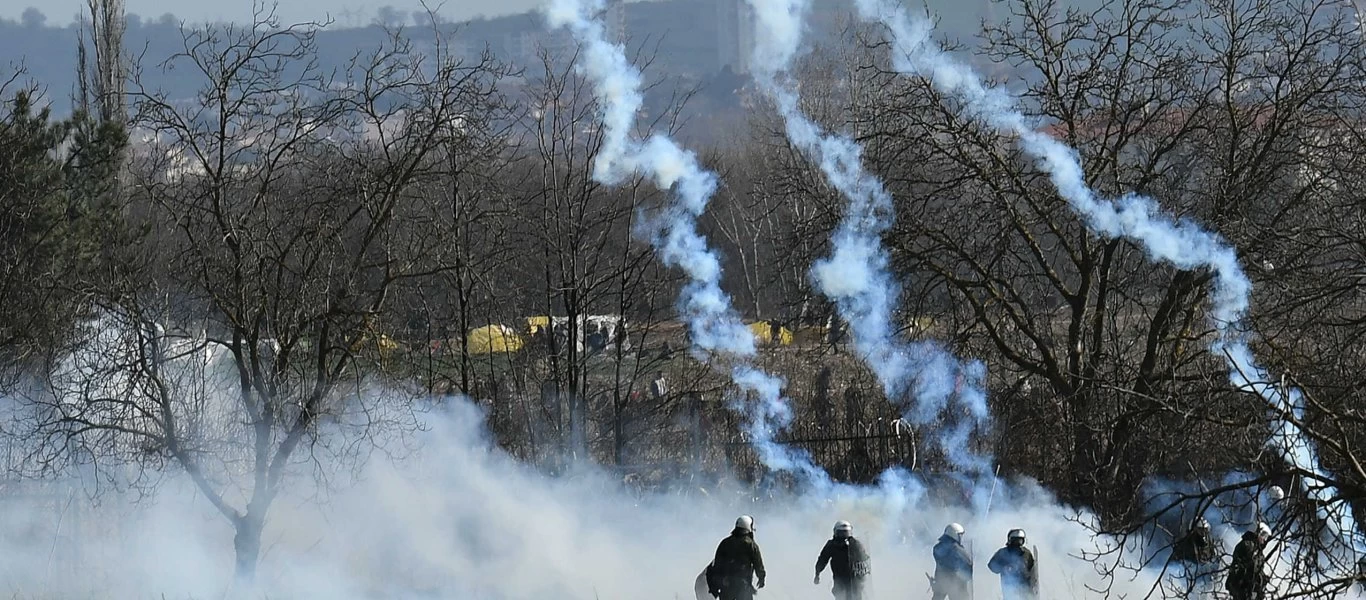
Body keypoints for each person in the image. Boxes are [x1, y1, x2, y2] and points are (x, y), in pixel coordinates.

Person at [707, 515, 766, 600]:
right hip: (743, 587)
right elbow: (758, 565)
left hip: (726, 586)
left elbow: (717, 566)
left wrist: (715, 586)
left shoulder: (724, 543)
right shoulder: (751, 545)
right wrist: (761, 578)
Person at [814, 520, 871, 600]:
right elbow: (822, 560)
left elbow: (864, 559)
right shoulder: (833, 545)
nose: (844, 535)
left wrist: (817, 574)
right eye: (842, 533)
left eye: (845, 532)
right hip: (842, 581)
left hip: (854, 582)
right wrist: (817, 573)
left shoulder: (855, 544)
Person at [1170, 518, 1217, 597]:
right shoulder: (1184, 544)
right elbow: (1174, 562)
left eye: (1205, 530)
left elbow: (1213, 557)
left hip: (1206, 579)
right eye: (1201, 530)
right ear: (1194, 530)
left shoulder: (1209, 542)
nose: (1203, 534)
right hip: (1189, 581)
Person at [987, 529, 1038, 600]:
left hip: (1026, 588)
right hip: (1009, 587)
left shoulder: (1027, 554)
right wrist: (1003, 568)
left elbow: (1032, 569)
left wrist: (1033, 584)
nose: (1018, 543)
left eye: (1020, 540)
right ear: (1011, 540)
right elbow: (991, 565)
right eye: (1016, 540)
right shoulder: (1003, 553)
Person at [1227, 522, 1270, 600]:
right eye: (1263, 536)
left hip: (1250, 589)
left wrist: (1263, 578)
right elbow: (1247, 567)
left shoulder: (1257, 550)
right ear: (1257, 533)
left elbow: (1258, 569)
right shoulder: (1247, 545)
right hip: (1242, 587)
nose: (1264, 540)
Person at [932, 522, 973, 600]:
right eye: (960, 535)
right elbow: (968, 566)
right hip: (956, 584)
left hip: (940, 581)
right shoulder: (958, 550)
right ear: (955, 534)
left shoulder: (937, 547)